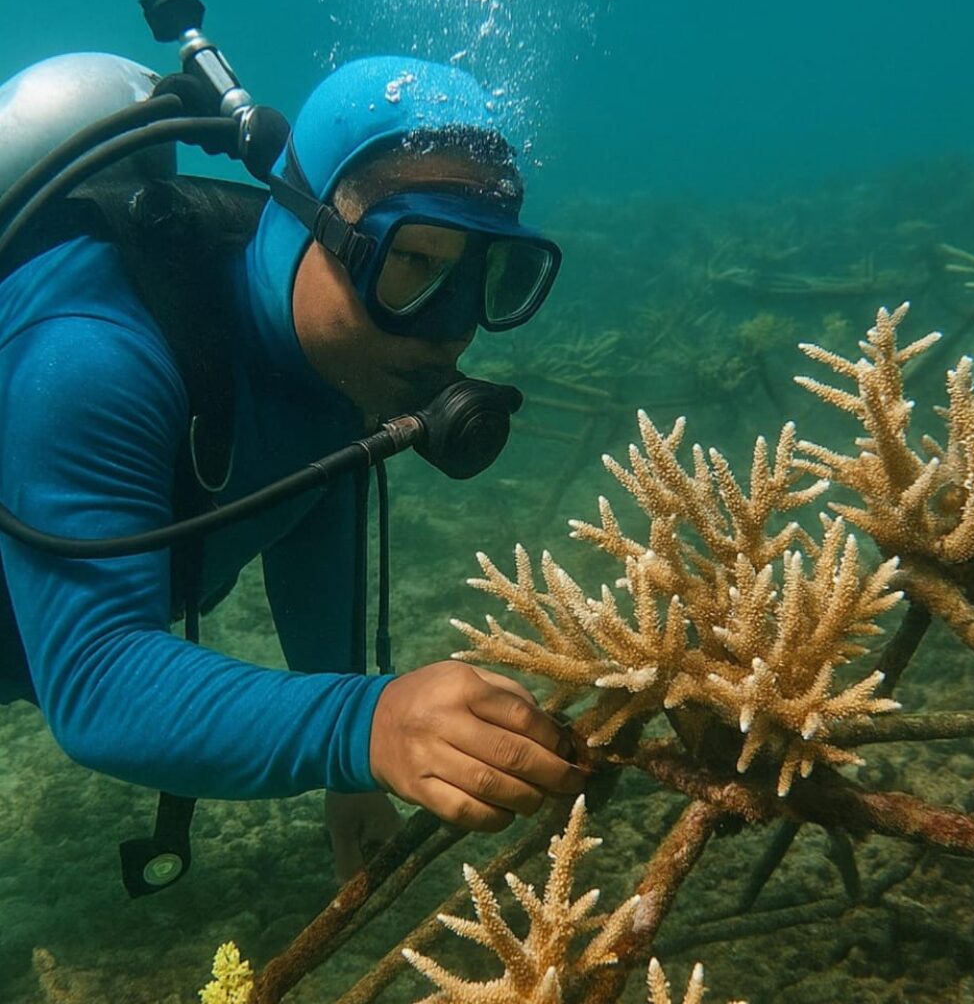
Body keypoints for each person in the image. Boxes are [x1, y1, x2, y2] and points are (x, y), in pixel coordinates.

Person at [0, 54, 582, 883]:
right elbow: (96, 679)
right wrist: (364, 726)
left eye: (491, 275)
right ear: (311, 223)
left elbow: (312, 511)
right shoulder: (88, 357)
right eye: (413, 263)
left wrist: (349, 770)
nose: (454, 332)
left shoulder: (334, 358)